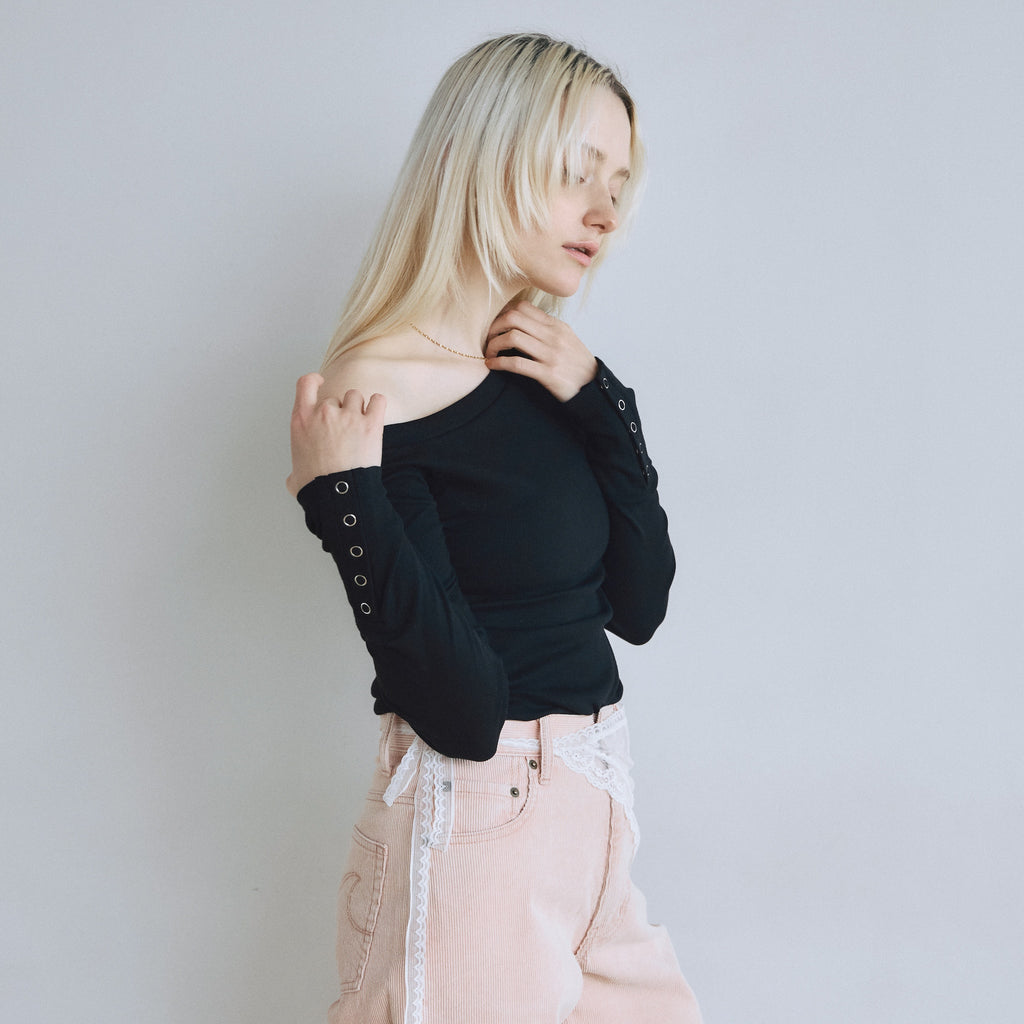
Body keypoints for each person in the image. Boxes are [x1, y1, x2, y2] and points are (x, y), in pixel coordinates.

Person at [287, 32, 703, 1024]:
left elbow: (639, 605)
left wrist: (603, 403)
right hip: (475, 830)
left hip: (594, 817)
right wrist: (343, 504)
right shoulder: (375, 389)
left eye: (618, 185)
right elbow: (463, 710)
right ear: (483, 157)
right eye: (576, 174)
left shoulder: (545, 370)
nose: (604, 213)